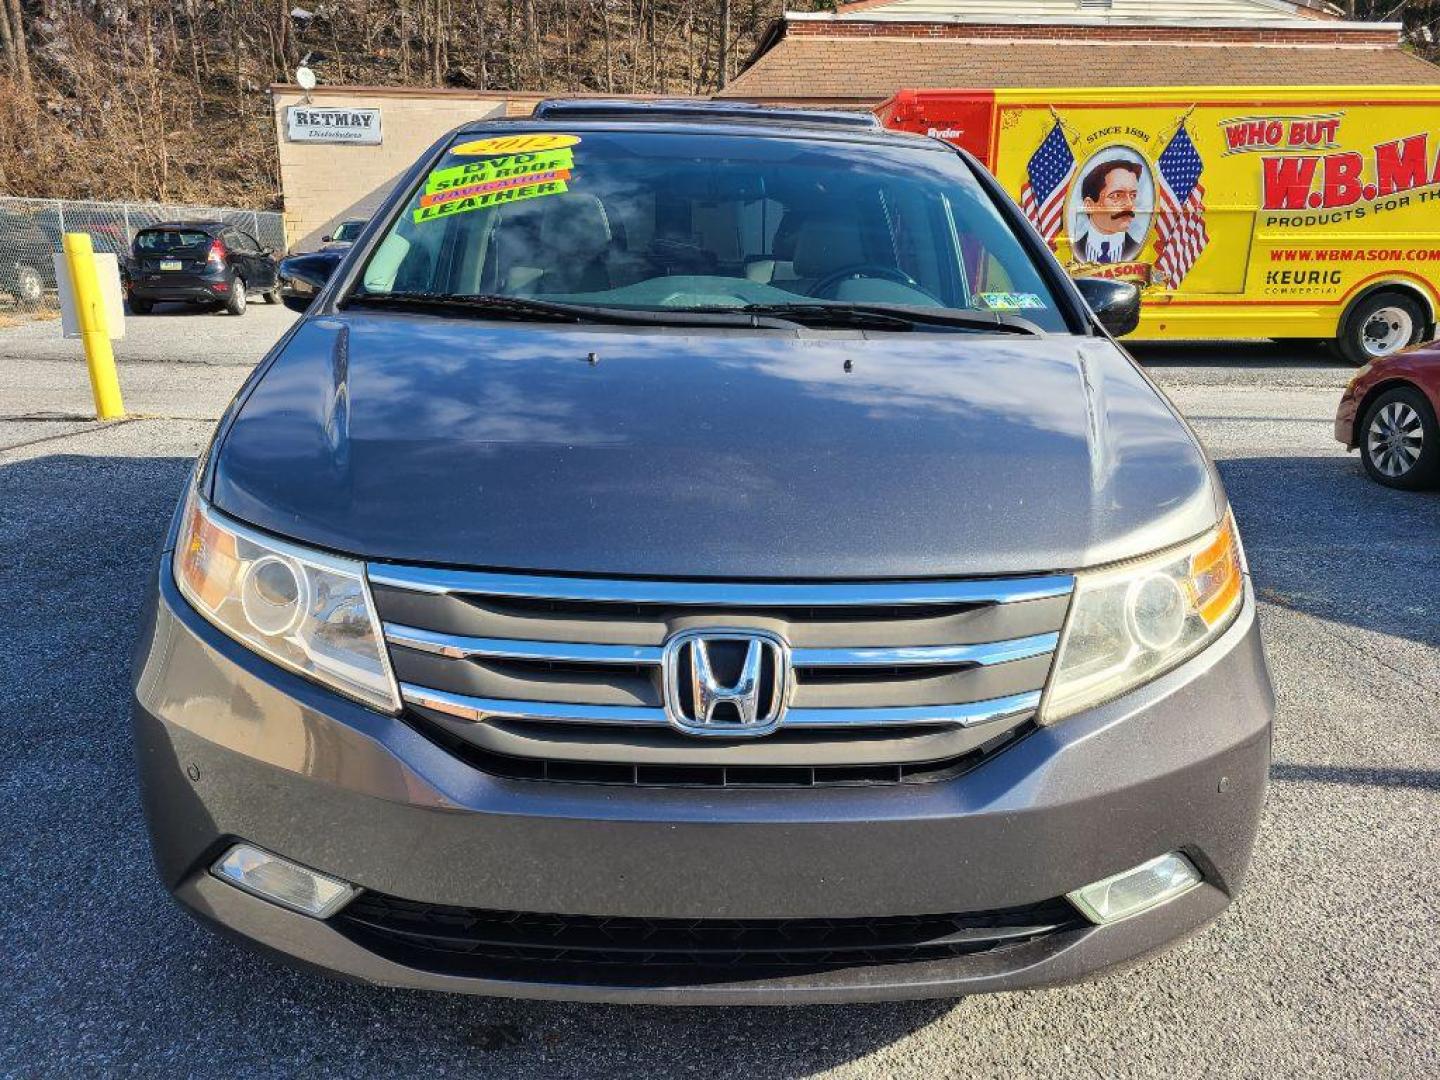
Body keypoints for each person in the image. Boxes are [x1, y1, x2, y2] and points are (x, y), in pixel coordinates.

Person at [1072, 158, 1145, 264]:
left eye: (1133, 195)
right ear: (1089, 205)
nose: (1129, 204)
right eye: (1117, 195)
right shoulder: (1071, 252)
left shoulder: (1141, 253)